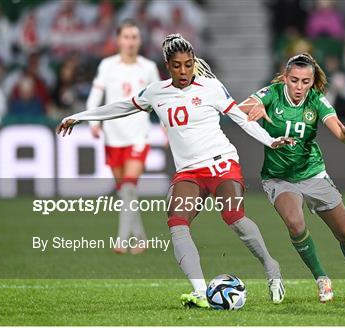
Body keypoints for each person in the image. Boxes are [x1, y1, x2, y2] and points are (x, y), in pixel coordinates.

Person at [57, 34, 293, 307]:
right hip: (189, 173)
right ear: (167, 65)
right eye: (177, 65)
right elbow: (121, 107)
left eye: (189, 64)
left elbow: (241, 119)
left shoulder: (212, 87)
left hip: (222, 163)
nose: (184, 71)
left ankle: (271, 268)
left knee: (233, 217)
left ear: (195, 63)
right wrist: (81, 116)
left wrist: (271, 141)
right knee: (177, 221)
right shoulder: (156, 92)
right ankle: (201, 292)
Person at [239, 53, 345, 303]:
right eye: (294, 80)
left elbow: (340, 133)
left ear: (312, 82)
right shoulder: (271, 93)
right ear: (285, 78)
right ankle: (321, 278)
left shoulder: (316, 101)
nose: (299, 87)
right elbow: (238, 110)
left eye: (305, 82)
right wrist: (254, 107)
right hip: (278, 177)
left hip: (312, 173)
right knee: (295, 223)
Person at [85, 19, 160, 255]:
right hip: (113, 136)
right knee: (126, 191)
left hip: (139, 134)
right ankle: (140, 237)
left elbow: (162, 100)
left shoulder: (148, 68)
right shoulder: (107, 66)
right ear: (118, 40)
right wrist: (94, 121)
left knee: (128, 186)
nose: (130, 42)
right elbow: (95, 96)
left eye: (134, 37)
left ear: (140, 41)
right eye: (126, 37)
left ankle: (122, 239)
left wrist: (168, 128)